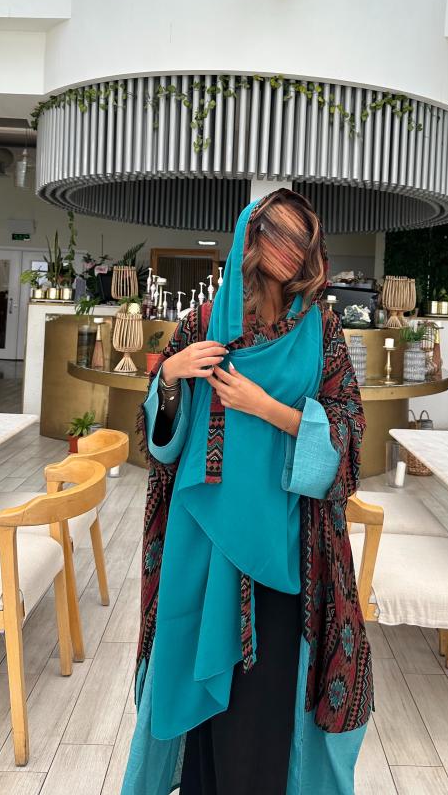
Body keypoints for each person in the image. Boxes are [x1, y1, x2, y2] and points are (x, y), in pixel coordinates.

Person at [121, 188, 373, 795]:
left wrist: (267, 408)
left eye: (302, 241)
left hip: (287, 543)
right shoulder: (202, 323)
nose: (291, 252)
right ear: (251, 238)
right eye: (279, 236)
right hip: (202, 543)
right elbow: (160, 445)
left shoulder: (322, 330)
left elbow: (350, 432)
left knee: (267, 701)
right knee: (204, 705)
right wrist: (170, 376)